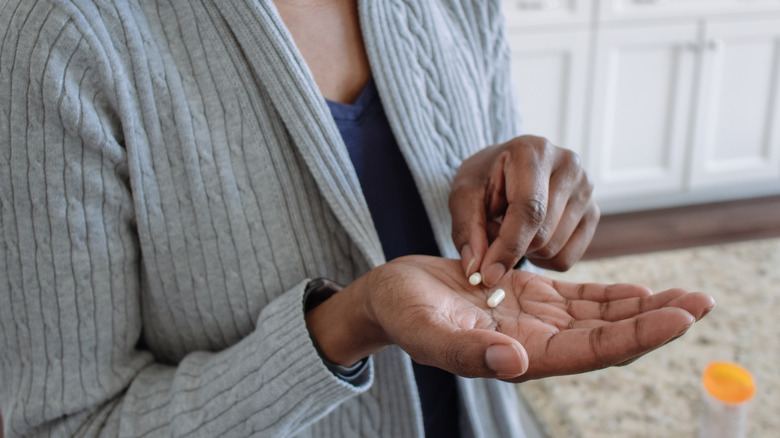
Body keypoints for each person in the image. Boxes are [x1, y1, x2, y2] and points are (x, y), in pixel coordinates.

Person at [0, 0, 714, 437]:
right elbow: (68, 425)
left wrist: (525, 205)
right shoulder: (58, 34)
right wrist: (346, 325)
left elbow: (492, 270)